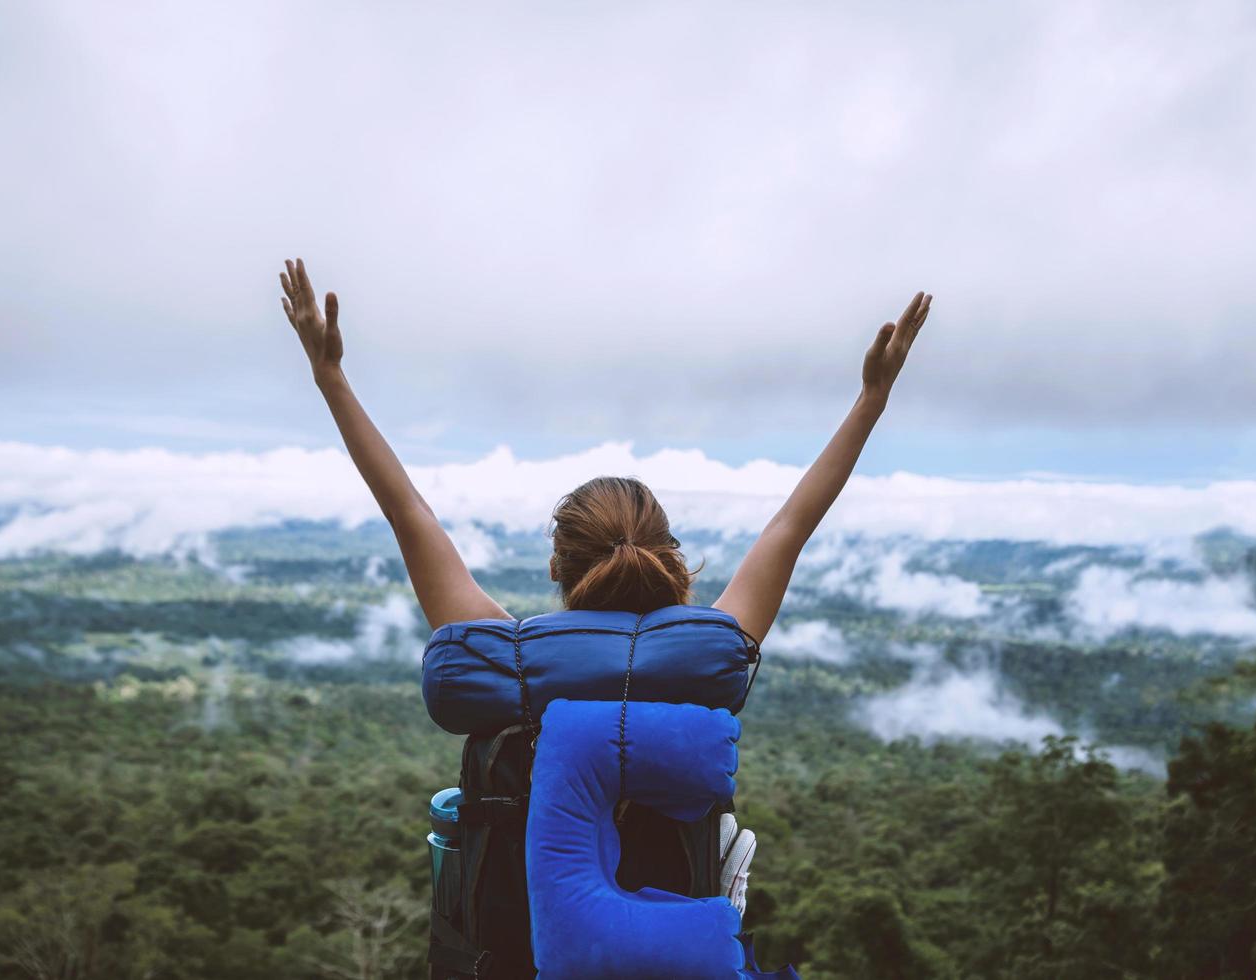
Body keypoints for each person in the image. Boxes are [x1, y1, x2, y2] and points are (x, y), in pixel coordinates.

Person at [278, 255, 931, 925]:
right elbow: (790, 528)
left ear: (558, 567)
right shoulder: (705, 660)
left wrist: (330, 378)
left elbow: (407, 513)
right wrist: (871, 399)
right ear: (671, 561)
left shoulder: (503, 661)